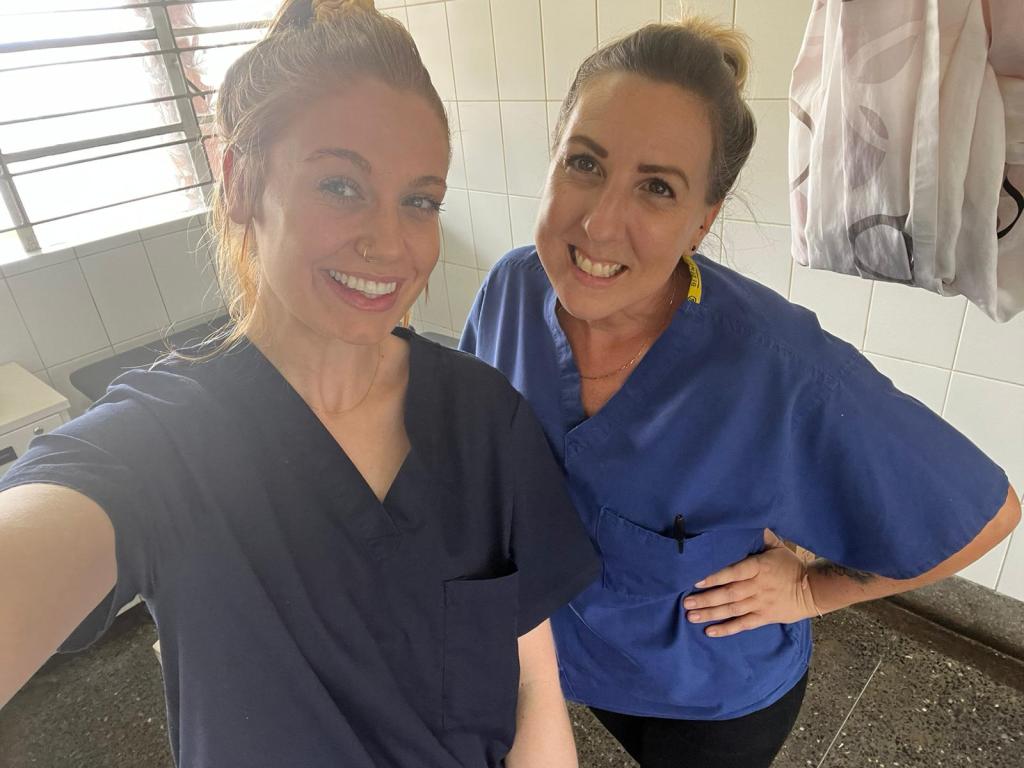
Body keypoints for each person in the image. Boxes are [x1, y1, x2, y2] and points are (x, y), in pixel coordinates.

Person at [0, 2, 599, 766]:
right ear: (240, 182)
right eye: (340, 185)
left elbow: (533, 685)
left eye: (419, 200)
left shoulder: (483, 418)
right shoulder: (164, 442)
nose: (388, 242)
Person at [460, 18, 1021, 768]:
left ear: (703, 221)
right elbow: (474, 448)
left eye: (657, 187)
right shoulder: (509, 289)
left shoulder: (776, 368)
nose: (598, 223)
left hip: (707, 704)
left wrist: (810, 594)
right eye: (584, 163)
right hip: (555, 659)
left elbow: (987, 514)